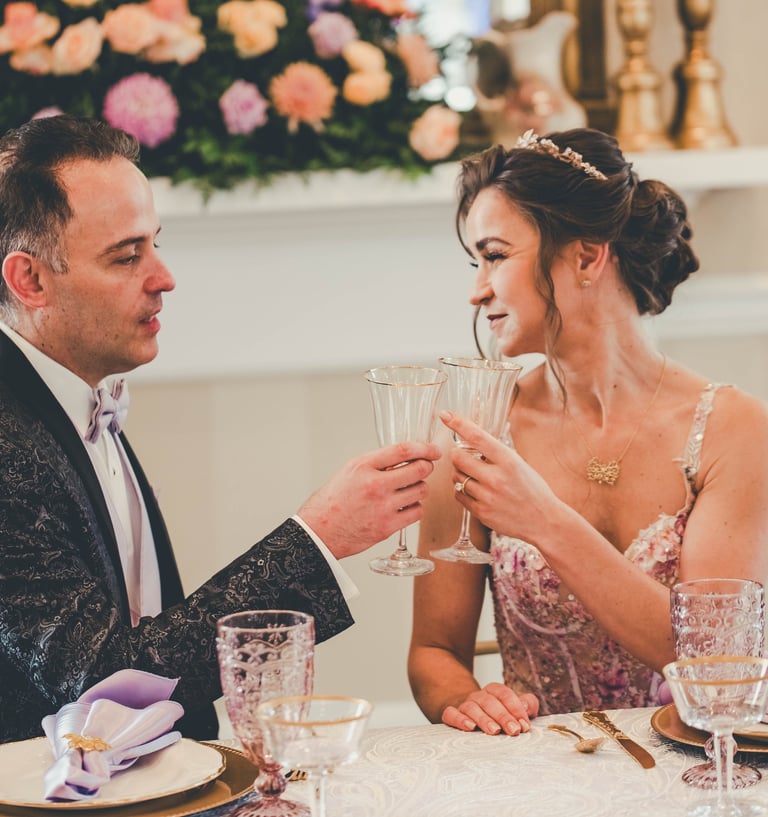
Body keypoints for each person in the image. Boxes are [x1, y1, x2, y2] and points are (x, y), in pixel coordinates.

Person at [0, 114, 441, 744]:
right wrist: (319, 537)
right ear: (31, 280)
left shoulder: (79, 396)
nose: (164, 277)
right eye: (128, 255)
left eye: (155, 242)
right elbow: (107, 677)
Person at [408, 128, 768, 737]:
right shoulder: (478, 443)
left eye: (495, 256)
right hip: (541, 775)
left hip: (700, 770)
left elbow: (717, 669)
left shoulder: (737, 432)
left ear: (585, 256)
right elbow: (434, 653)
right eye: (476, 263)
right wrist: (468, 700)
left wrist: (545, 521)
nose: (477, 291)